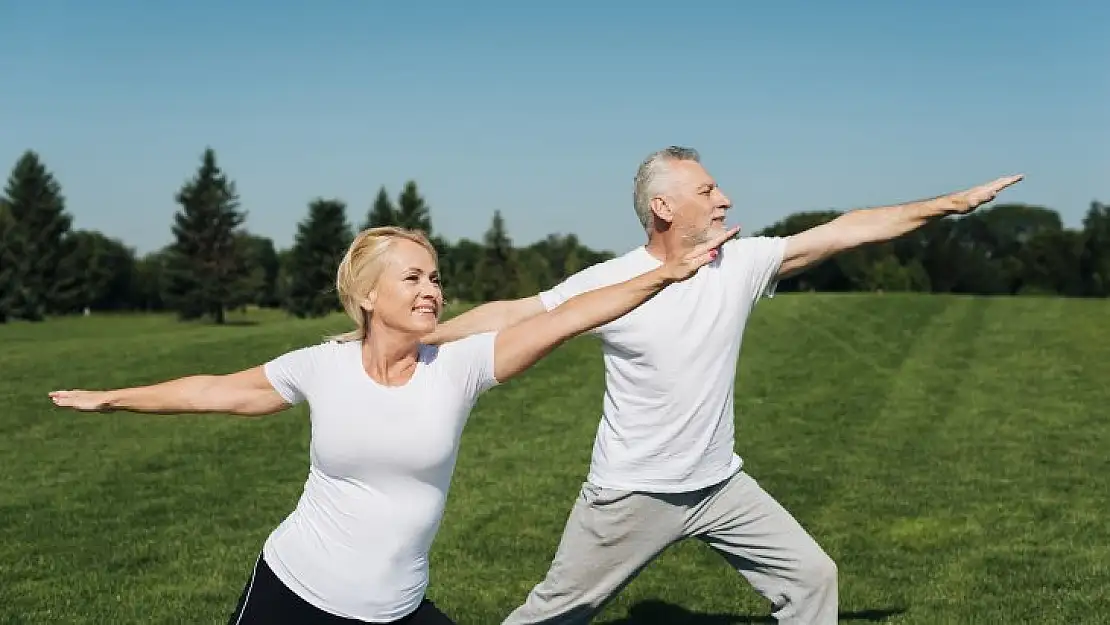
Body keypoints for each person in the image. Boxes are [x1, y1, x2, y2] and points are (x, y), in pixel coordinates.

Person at [423, 147, 1023, 624]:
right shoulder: (614, 282)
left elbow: (845, 230)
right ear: (664, 207)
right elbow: (517, 314)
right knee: (551, 616)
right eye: (707, 191)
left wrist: (946, 204)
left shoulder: (739, 263)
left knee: (813, 581)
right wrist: (418, 337)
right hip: (633, 494)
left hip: (720, 486)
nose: (725, 198)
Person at [47, 224, 738, 625]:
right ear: (367, 294)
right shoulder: (321, 366)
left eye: (435, 276)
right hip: (292, 593)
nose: (431, 289)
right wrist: (112, 398)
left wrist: (667, 273)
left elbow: (569, 315)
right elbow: (214, 392)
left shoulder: (461, 366)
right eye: (411, 278)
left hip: (398, 610)